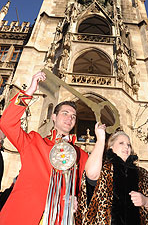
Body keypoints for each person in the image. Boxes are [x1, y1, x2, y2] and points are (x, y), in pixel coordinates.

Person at [0, 71, 88, 225]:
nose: (69, 118)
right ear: (53, 117)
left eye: (73, 116)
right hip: (22, 216)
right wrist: (29, 92)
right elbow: (7, 123)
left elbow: (92, 183)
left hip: (60, 219)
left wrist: (79, 199)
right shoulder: (34, 142)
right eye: (65, 113)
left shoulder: (80, 155)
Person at [75, 123, 148, 225]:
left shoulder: (142, 174)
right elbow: (91, 174)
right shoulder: (103, 169)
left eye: (128, 144)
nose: (126, 147)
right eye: (121, 143)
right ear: (111, 147)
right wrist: (101, 139)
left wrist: (146, 202)